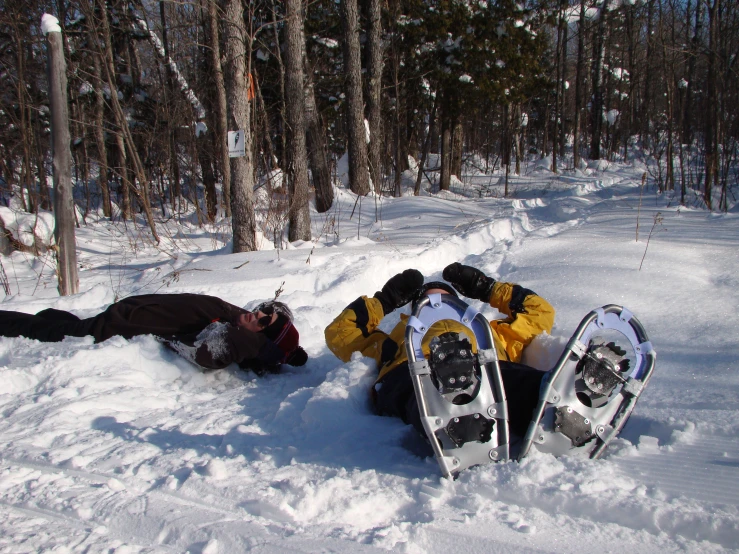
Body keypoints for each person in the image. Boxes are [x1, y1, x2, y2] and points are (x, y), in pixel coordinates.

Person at [324, 263, 555, 441]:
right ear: (415, 308)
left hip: (483, 362)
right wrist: (385, 300)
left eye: (445, 299)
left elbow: (540, 312)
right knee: (417, 394)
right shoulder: (399, 336)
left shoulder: (486, 330)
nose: (436, 303)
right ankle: (448, 419)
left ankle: (559, 406)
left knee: (517, 382)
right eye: (428, 299)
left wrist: (487, 288)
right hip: (415, 369)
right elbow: (340, 332)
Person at [0, 293, 308, 373]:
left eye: (265, 321)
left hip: (112, 327)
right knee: (50, 319)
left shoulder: (241, 339)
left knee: (32, 328)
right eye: (266, 310)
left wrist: (259, 349)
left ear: (261, 337)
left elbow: (209, 354)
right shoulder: (240, 321)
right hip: (124, 313)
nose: (259, 313)